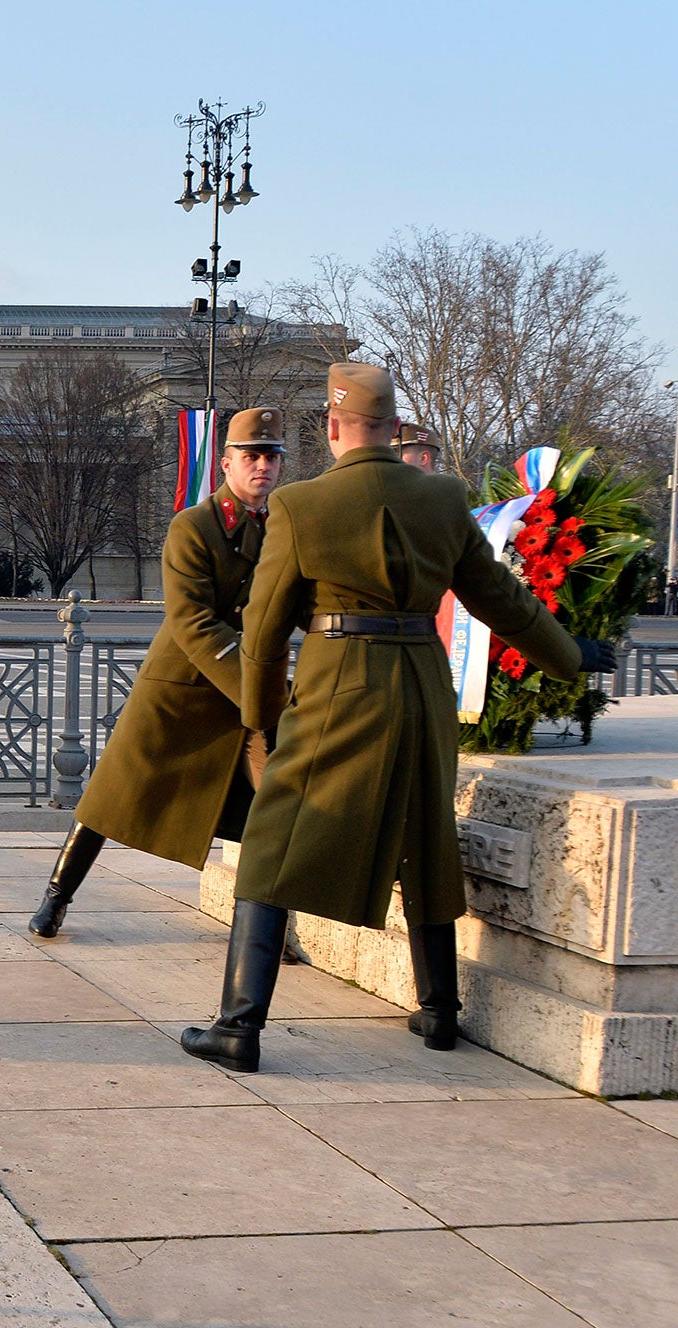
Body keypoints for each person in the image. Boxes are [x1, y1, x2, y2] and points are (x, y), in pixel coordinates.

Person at [182, 364, 616, 1073]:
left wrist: (260, 720)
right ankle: (440, 1010)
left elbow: (261, 636)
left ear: (331, 427)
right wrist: (569, 654)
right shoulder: (444, 499)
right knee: (425, 837)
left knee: (270, 848)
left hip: (337, 691)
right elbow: (501, 602)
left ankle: (239, 1027)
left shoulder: (300, 507)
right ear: (393, 425)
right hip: (422, 687)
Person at [30, 408, 286, 937]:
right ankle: (57, 895)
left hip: (247, 696)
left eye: (271, 456)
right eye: (251, 456)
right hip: (181, 688)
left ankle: (262, 932)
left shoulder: (283, 530)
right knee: (110, 798)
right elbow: (193, 621)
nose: (262, 465)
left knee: (272, 806)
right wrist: (259, 692)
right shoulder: (194, 526)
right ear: (226, 463)